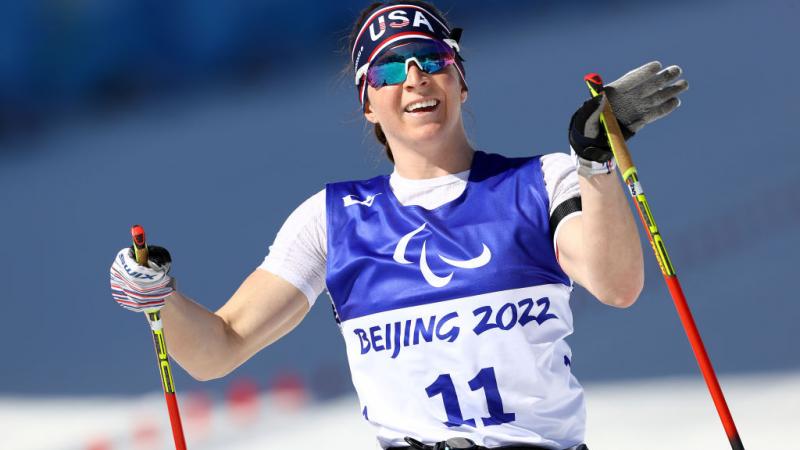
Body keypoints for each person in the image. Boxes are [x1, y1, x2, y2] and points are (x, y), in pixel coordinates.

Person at [109, 1, 688, 449]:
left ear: (461, 81)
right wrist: (160, 298)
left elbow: (617, 284)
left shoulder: (543, 181)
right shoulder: (331, 220)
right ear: (368, 102)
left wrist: (596, 161)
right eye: (389, 67)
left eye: (431, 59)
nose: (414, 78)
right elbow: (219, 350)